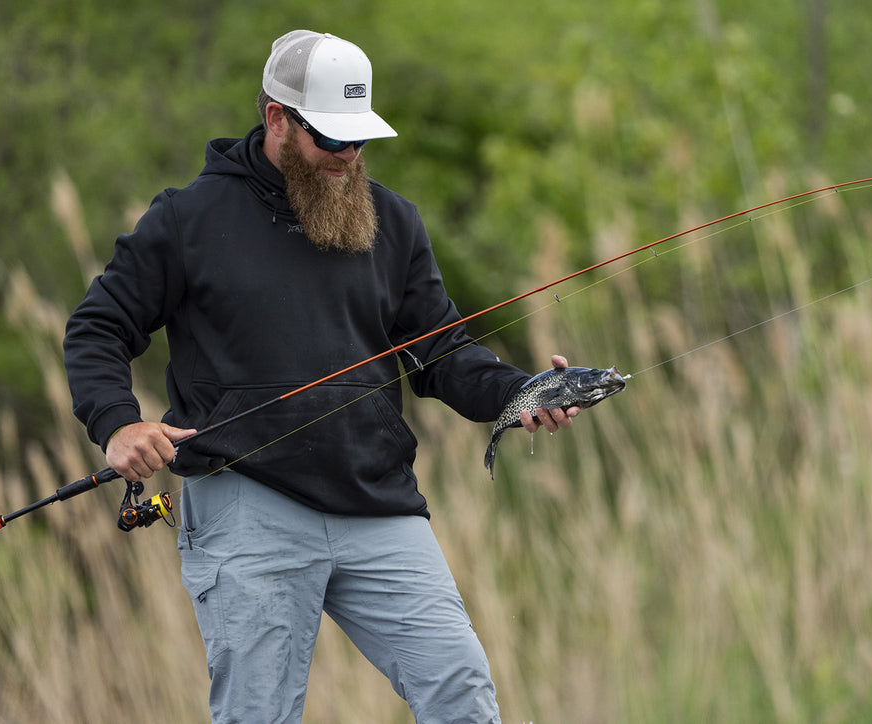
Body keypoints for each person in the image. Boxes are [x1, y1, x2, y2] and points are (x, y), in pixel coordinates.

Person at [63, 29, 580, 724]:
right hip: (249, 508)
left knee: (463, 695)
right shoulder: (187, 220)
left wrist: (519, 395)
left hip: (379, 503)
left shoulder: (394, 222)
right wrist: (117, 423)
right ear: (277, 117)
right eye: (330, 139)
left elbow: (443, 354)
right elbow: (97, 326)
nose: (348, 158)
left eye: (359, 141)